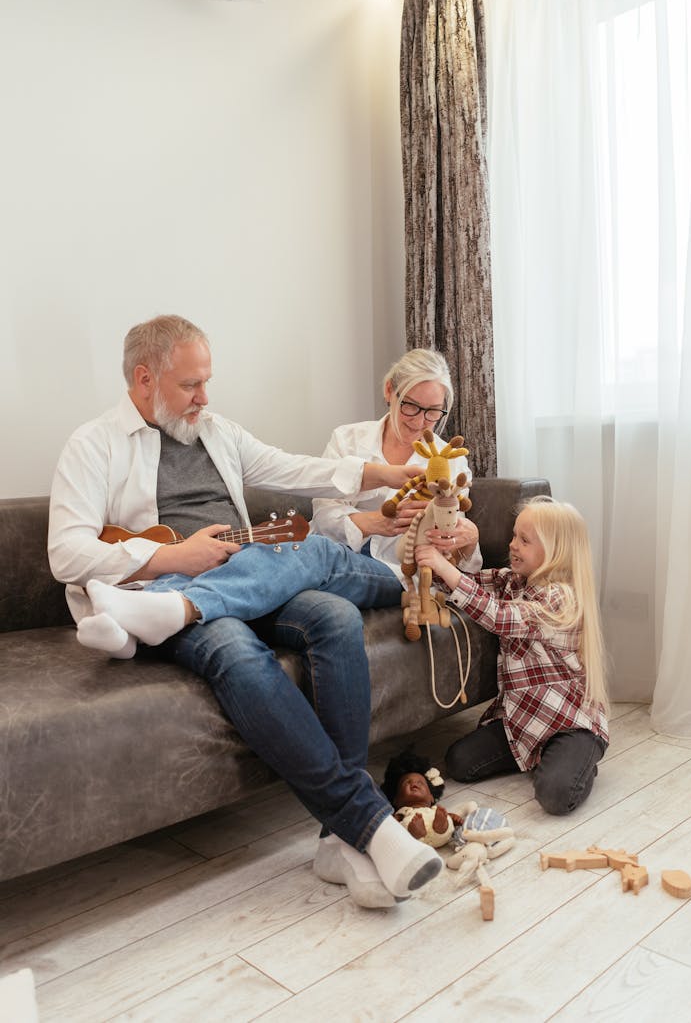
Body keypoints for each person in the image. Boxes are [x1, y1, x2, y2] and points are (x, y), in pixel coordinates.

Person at [48, 314, 444, 908]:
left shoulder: (217, 431)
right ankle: (363, 826)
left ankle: (336, 836)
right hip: (155, 585)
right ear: (143, 377)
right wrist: (171, 556)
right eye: (190, 386)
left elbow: (293, 468)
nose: (204, 398)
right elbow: (65, 552)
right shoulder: (93, 444)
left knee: (333, 614)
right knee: (238, 640)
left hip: (244, 574)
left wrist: (380, 472)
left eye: (208, 382)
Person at [415, 496, 609, 815]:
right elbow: (464, 587)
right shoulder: (511, 580)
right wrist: (439, 558)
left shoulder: (562, 598)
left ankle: (579, 759)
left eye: (524, 540)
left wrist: (444, 568)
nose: (513, 544)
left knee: (556, 796)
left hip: (567, 722)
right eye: (514, 535)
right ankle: (539, 754)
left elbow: (499, 616)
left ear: (555, 551)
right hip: (522, 719)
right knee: (459, 763)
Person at [309, 348, 481, 583]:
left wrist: (467, 537)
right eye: (411, 406)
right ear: (390, 391)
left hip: (398, 573)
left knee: (317, 559)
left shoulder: (450, 461)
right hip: (337, 555)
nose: (420, 422)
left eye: (433, 412)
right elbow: (324, 517)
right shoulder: (347, 439)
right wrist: (378, 522)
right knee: (329, 606)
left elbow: (456, 556)